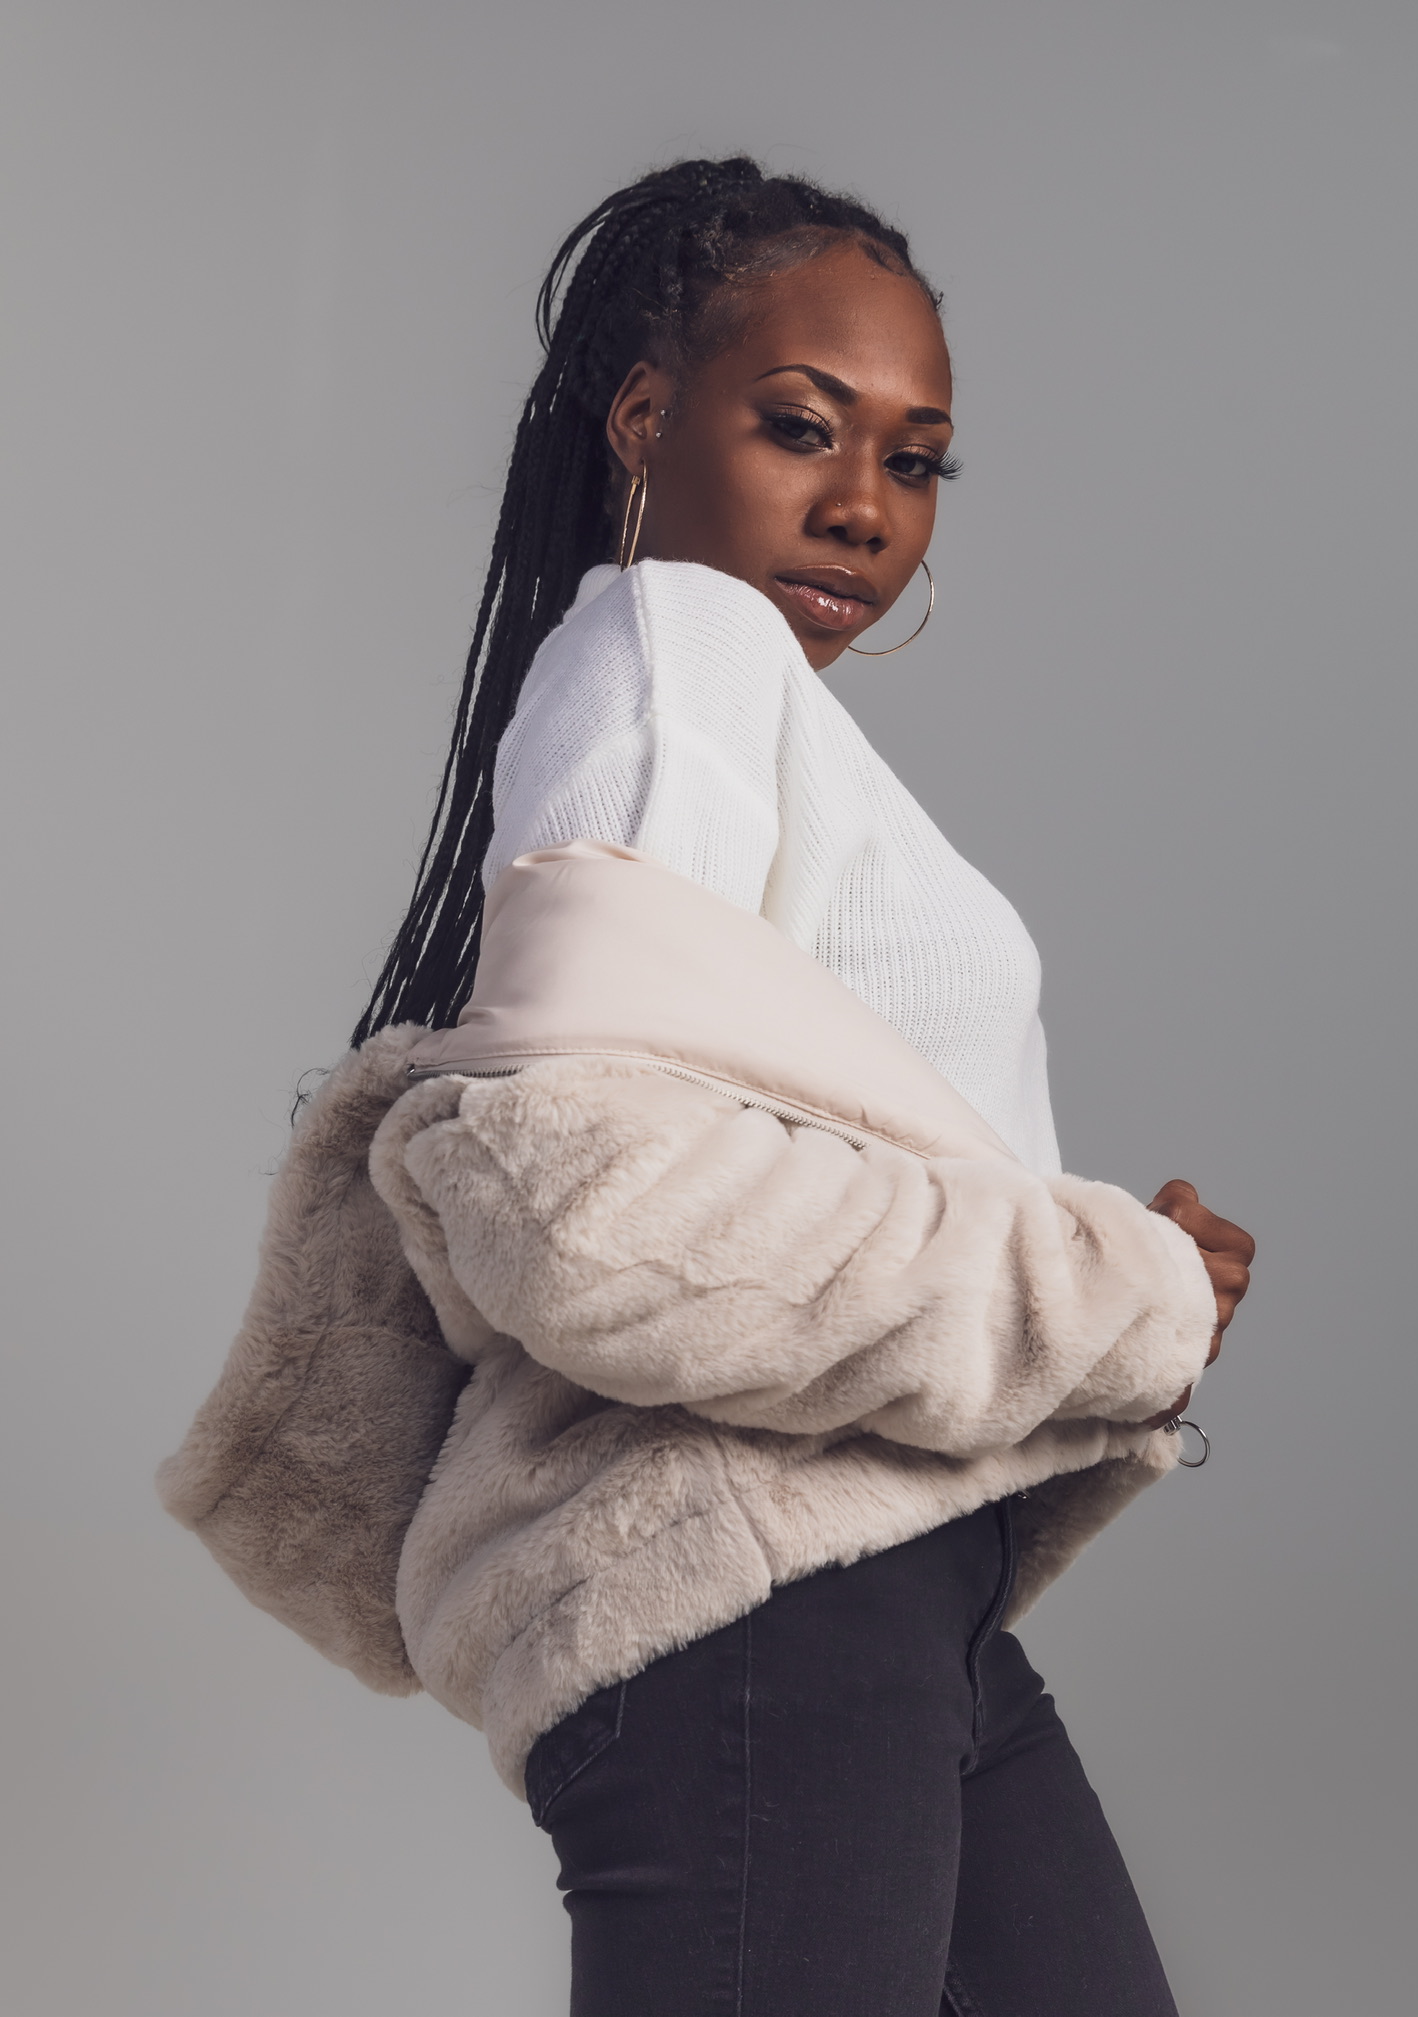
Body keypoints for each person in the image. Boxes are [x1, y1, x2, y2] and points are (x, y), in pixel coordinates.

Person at [162, 157, 1253, 2017]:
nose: (864, 506)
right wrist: (1111, 1293)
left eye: (917, 461)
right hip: (761, 1602)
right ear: (648, 419)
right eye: (801, 427)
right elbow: (581, 1199)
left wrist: (1109, 1278)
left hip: (885, 1589)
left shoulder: (757, 721)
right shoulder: (683, 645)